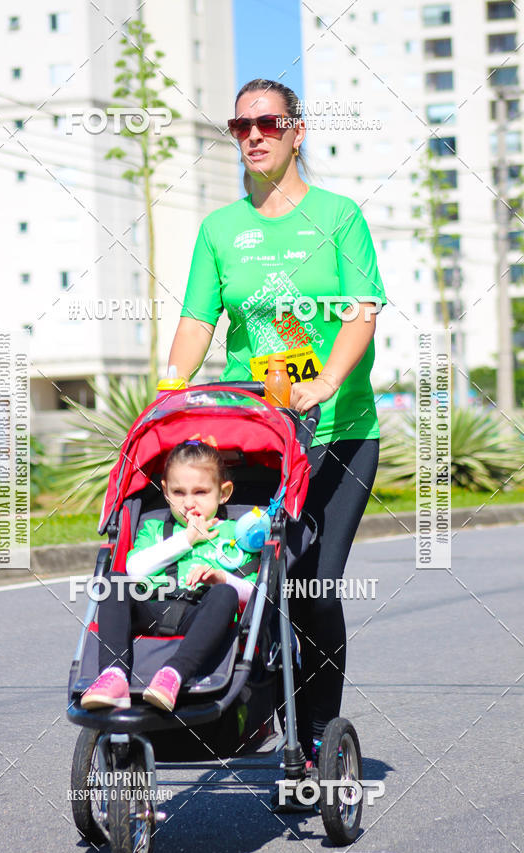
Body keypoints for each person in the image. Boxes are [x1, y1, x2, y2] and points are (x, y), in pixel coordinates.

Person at [166, 79, 386, 763]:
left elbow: (361, 310)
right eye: (241, 125)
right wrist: (171, 393)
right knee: (247, 575)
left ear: (297, 132)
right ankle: (253, 706)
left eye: (267, 123)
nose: (253, 135)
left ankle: (314, 731)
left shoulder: (339, 216)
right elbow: (199, 319)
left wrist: (323, 382)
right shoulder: (220, 231)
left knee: (312, 585)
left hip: (338, 432)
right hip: (256, 436)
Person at [81, 440, 258, 713]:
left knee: (226, 594)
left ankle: (173, 674)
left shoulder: (238, 535)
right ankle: (112, 676)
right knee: (113, 582)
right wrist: (185, 540)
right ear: (165, 491)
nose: (189, 503)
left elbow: (255, 591)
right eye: (179, 492)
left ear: (223, 493)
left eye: (200, 492)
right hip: (151, 608)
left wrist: (222, 578)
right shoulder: (154, 527)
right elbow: (134, 570)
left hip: (201, 617)